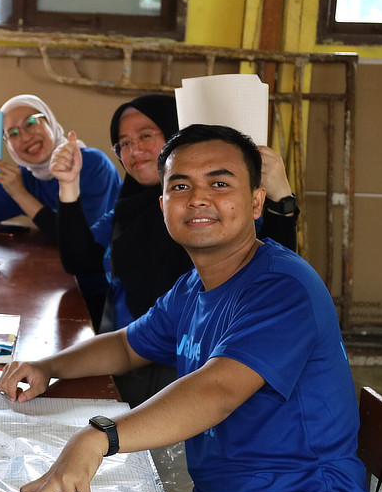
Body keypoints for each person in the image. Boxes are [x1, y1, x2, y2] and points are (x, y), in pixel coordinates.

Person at [0, 124, 371, 492]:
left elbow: (216, 391)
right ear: (163, 206)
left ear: (256, 202)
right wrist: (49, 366)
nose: (198, 198)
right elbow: (126, 344)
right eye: (180, 186)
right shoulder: (196, 285)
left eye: (219, 183)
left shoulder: (282, 287)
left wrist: (98, 437)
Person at [52, 94, 299, 403]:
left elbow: (273, 271)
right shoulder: (129, 213)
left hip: (195, 367)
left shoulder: (215, 221)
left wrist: (283, 199)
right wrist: (68, 184)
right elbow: (81, 261)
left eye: (145, 136)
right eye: (123, 143)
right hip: (136, 354)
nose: (134, 150)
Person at [0, 94, 121, 320]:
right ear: (8, 145)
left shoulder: (92, 164)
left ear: (49, 121)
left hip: (107, 293)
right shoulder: (26, 177)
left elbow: (76, 244)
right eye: (13, 134)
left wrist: (19, 193)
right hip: (59, 288)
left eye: (31, 122)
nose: (25, 137)